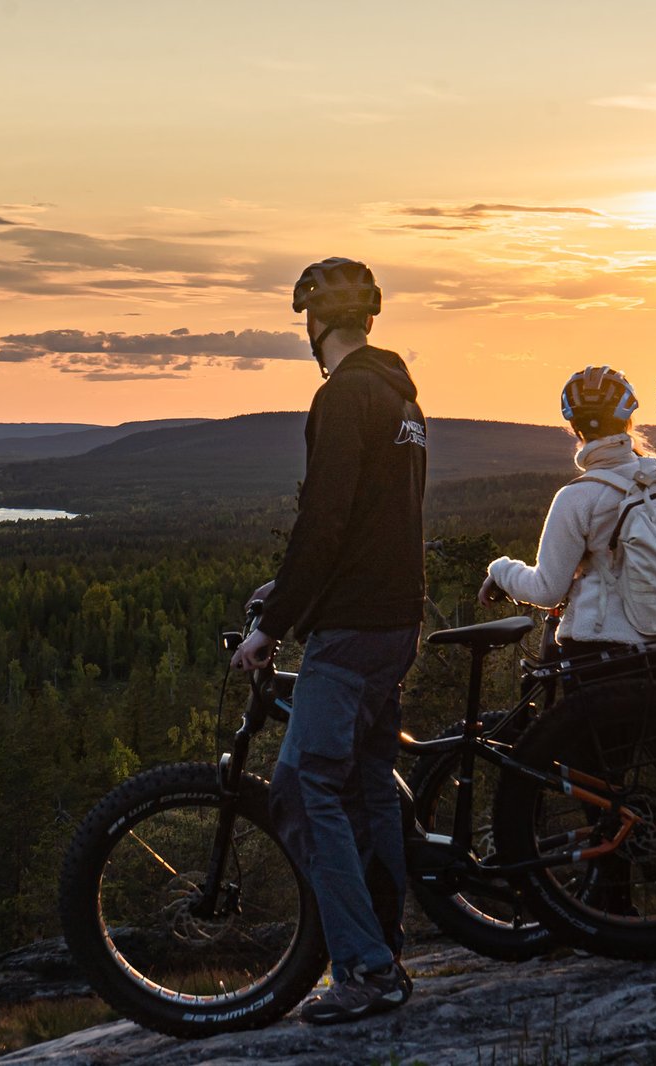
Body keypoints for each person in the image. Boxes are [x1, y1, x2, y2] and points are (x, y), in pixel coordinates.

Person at [229, 257, 427, 1025]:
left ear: (313, 323)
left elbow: (326, 522)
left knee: (304, 789)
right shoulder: (401, 397)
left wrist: (271, 626)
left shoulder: (342, 396)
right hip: (395, 619)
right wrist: (288, 594)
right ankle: (384, 949)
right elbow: (376, 523)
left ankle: (367, 970)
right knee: (366, 788)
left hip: (351, 631)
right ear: (369, 318)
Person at [479, 365, 656, 665]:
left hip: (594, 653)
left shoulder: (576, 497)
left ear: (575, 427)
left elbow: (547, 591)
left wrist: (501, 571)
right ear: (628, 420)